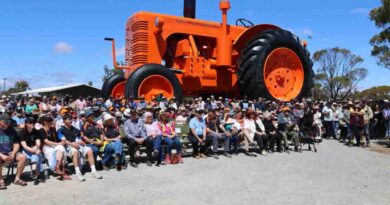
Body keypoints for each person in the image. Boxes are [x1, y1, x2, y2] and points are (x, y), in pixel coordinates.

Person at [58, 114, 102, 181]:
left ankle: (93, 171)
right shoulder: (61, 130)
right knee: (75, 152)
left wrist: (81, 141)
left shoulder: (75, 129)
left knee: (89, 150)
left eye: (71, 119)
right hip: (68, 147)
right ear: (64, 121)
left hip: (78, 145)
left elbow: (79, 138)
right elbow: (64, 141)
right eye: (68, 119)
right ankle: (78, 172)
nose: (70, 120)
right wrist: (72, 144)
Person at [0, 113, 27, 189]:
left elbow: (16, 144)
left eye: (8, 121)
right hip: (1, 154)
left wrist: (14, 152)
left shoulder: (12, 130)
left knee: (23, 157)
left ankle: (17, 178)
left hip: (10, 152)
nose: (7, 123)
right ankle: (1, 180)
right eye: (5, 121)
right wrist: (2, 155)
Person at [40, 115, 70, 180]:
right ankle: (63, 172)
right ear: (45, 122)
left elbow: (57, 138)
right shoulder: (41, 130)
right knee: (60, 148)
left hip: (55, 146)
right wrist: (58, 144)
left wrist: (62, 140)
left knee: (61, 149)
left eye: (51, 120)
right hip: (47, 147)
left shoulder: (53, 129)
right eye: (49, 121)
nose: (51, 122)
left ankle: (58, 167)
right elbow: (46, 141)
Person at [20, 117, 44, 185]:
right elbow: (24, 145)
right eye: (31, 123)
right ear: (27, 124)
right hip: (25, 150)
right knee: (37, 154)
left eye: (33, 122)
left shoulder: (36, 131)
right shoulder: (22, 132)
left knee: (37, 154)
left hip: (34, 149)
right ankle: (37, 174)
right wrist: (33, 150)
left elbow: (38, 143)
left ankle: (34, 171)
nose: (33, 124)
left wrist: (36, 148)